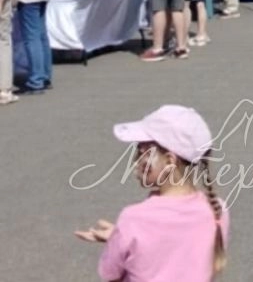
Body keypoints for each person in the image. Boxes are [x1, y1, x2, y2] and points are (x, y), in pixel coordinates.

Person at [75, 105, 228, 282]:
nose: (135, 162)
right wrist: (121, 236)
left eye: (141, 153)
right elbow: (182, 251)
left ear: (170, 161)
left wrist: (120, 239)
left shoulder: (133, 218)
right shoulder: (217, 209)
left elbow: (110, 274)